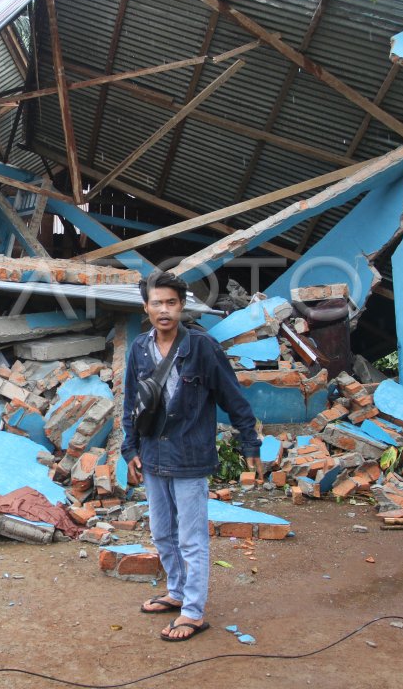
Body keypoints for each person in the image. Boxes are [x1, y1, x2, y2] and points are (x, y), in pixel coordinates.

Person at [121, 270, 262, 642]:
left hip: (189, 455)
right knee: (162, 532)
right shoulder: (138, 348)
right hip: (152, 453)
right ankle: (177, 593)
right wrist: (129, 448)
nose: (164, 310)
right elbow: (131, 402)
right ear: (146, 307)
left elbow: (234, 398)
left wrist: (250, 444)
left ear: (182, 306)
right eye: (157, 303)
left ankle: (193, 612)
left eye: (171, 303)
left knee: (192, 538)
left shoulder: (202, 348)